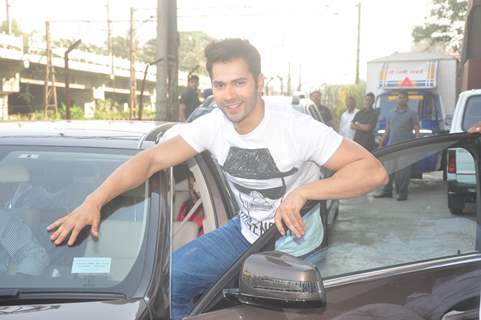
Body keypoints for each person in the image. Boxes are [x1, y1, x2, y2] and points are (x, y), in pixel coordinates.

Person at [47, 38, 388, 320]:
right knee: (172, 278)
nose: (230, 95)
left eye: (239, 82)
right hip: (246, 231)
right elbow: (150, 160)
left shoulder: (296, 129)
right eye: (221, 85)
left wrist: (306, 193)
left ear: (259, 82)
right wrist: (93, 201)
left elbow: (372, 170)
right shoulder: (212, 126)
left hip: (296, 244)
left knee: (280, 314)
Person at [375, 91, 420, 201]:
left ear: (407, 100)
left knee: (403, 171)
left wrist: (418, 143)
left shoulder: (412, 113)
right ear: (397, 99)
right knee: (389, 169)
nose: (401, 99)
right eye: (399, 97)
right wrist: (381, 144)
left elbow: (417, 129)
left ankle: (402, 193)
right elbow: (387, 130)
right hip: (392, 146)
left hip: (406, 146)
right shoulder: (391, 113)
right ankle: (387, 191)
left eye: (403, 98)